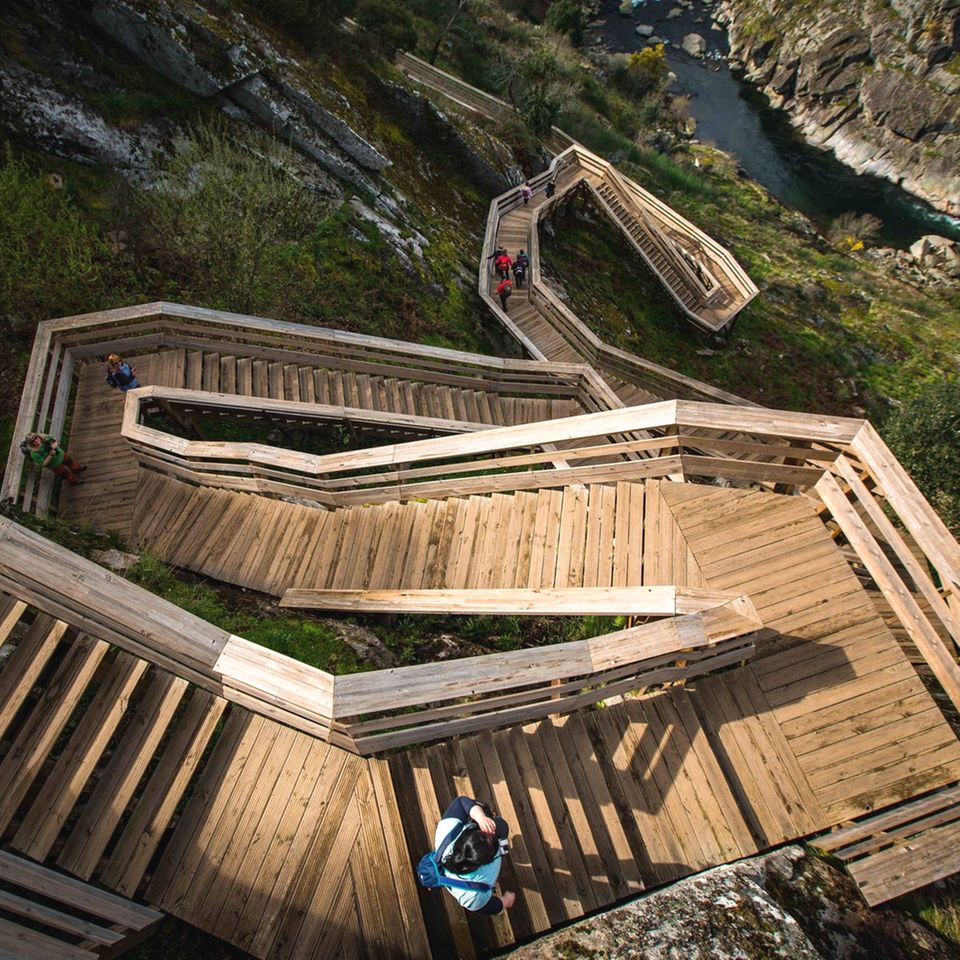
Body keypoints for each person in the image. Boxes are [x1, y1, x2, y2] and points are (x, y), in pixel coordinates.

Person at [433, 796, 515, 915]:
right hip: (471, 887)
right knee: (501, 826)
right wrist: (507, 901)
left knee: (484, 814)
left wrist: (481, 818)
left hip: (456, 884)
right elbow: (487, 906)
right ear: (488, 861)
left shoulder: (446, 833)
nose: (490, 832)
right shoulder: (475, 896)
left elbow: (460, 802)